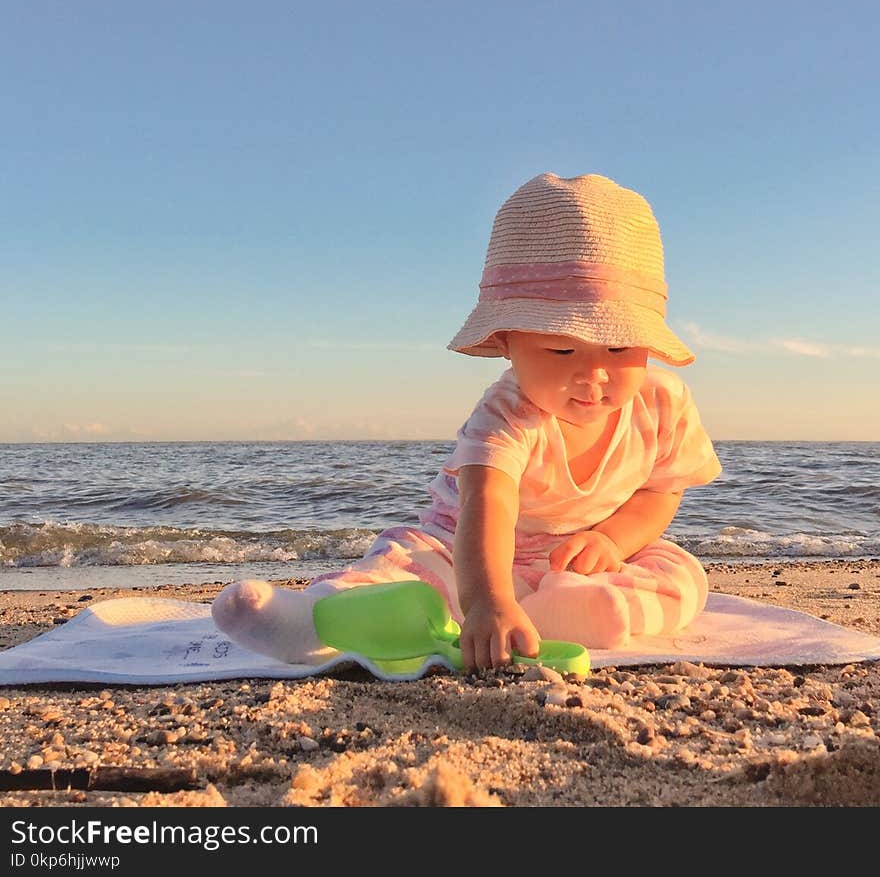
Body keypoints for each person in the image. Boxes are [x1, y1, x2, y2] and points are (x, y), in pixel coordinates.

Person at [212, 172, 721, 670]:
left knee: (680, 574)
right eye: (561, 347)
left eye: (619, 345)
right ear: (505, 340)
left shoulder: (662, 404)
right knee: (407, 564)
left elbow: (660, 493)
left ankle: (575, 610)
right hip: (469, 549)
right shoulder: (507, 414)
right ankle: (314, 619)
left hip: (576, 559)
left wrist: (613, 539)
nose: (594, 373)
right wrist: (486, 601)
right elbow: (489, 504)